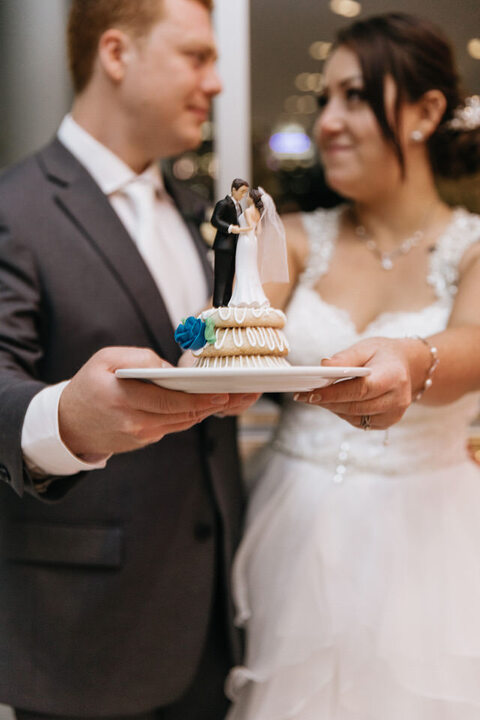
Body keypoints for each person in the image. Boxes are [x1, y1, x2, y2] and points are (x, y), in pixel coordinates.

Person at [0, 1, 259, 718]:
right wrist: (68, 421)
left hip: (213, 628)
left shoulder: (199, 211)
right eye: (197, 57)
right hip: (82, 638)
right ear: (116, 54)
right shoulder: (15, 209)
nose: (216, 84)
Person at [226, 13, 480, 719]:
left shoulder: (472, 248)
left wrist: (415, 357)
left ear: (426, 112)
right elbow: (239, 333)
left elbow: (474, 342)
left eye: (356, 97)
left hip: (435, 542)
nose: (328, 122)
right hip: (292, 531)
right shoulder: (291, 238)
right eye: (325, 100)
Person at [228, 187, 289, 308]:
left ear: (252, 199)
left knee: (242, 268)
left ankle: (242, 298)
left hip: (245, 240)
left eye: (248, 196)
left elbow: (250, 228)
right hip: (253, 242)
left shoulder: (247, 212)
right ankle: (254, 297)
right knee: (251, 268)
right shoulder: (257, 213)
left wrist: (238, 230)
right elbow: (258, 231)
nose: (246, 198)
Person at [211, 178, 250, 307]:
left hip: (234, 246)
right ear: (234, 189)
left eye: (245, 192)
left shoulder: (238, 206)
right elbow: (215, 220)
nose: (243, 195)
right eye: (242, 191)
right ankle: (218, 303)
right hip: (223, 245)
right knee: (221, 276)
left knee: (230, 276)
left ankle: (227, 302)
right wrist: (230, 228)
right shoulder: (223, 204)